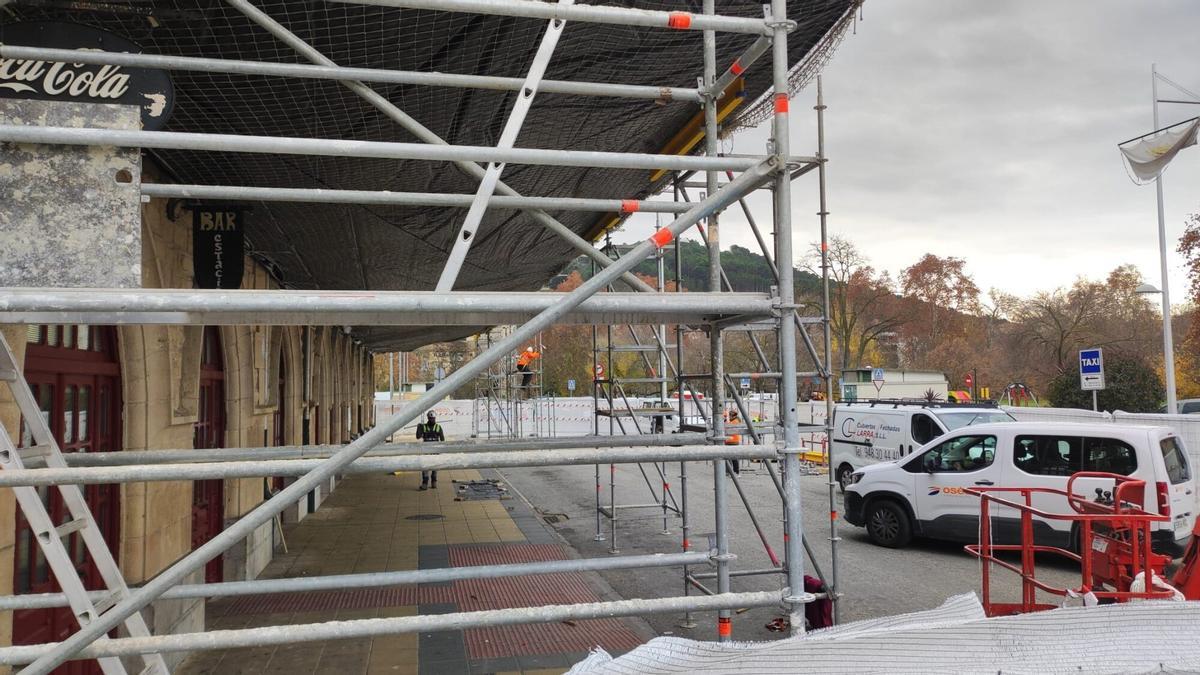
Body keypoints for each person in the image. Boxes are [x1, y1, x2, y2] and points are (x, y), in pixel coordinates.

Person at [416, 411, 444, 490]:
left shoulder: (438, 427)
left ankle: (434, 482)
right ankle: (425, 483)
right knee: (425, 467)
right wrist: (419, 428)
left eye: (433, 418)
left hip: (435, 451)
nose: (432, 420)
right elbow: (418, 436)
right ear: (428, 418)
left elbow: (442, 440)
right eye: (431, 418)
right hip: (426, 451)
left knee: (435, 466)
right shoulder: (423, 427)